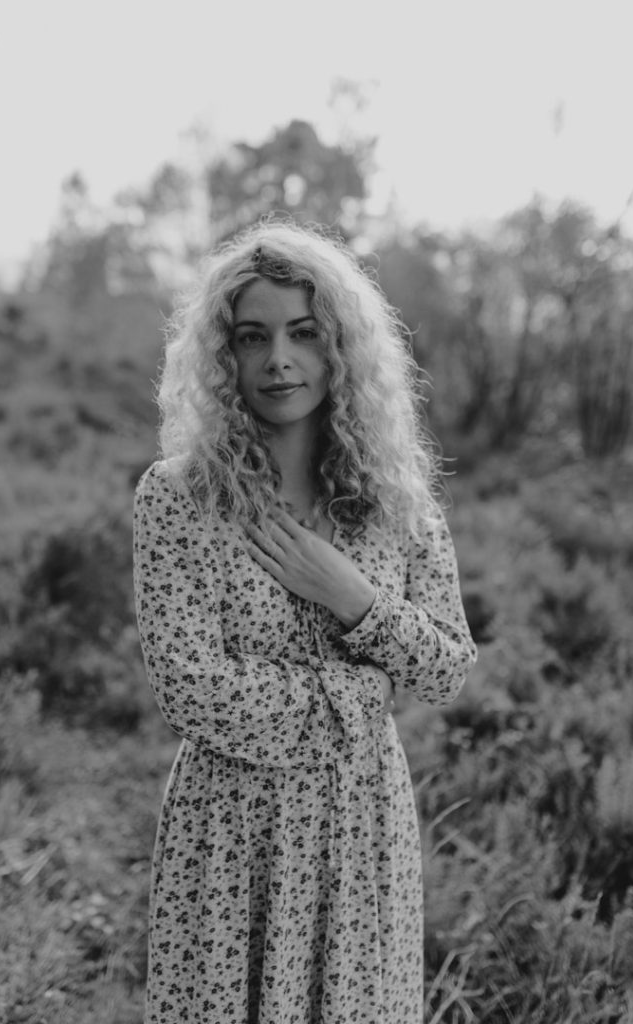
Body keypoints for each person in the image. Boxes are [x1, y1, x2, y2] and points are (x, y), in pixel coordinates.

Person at [133, 220, 477, 1024]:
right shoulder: (177, 499)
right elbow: (191, 691)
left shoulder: (395, 504)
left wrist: (353, 597)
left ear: (340, 347)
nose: (278, 360)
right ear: (223, 357)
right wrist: (355, 698)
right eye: (252, 338)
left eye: (303, 333)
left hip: (361, 830)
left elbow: (446, 669)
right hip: (227, 834)